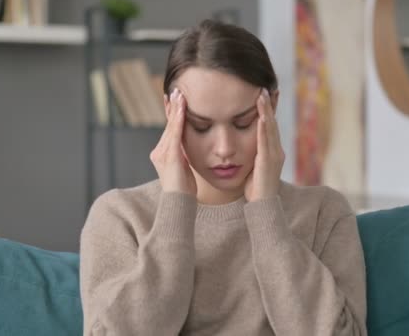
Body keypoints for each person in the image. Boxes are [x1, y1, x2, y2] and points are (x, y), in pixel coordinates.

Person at [80, 19, 367, 336]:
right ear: (170, 113)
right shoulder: (120, 216)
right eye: (200, 126)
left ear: (271, 106)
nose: (224, 149)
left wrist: (266, 212)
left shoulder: (324, 213)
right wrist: (176, 206)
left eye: (243, 123)